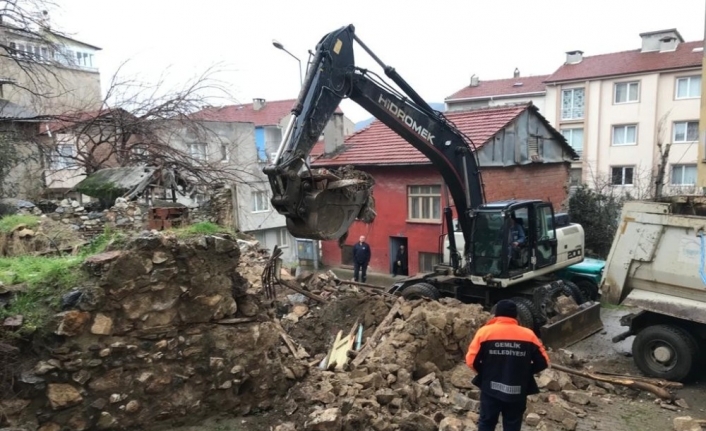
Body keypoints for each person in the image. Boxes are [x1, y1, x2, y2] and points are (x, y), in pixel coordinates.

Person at [465, 300, 549, 431]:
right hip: (517, 390)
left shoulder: (485, 332)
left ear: (496, 315)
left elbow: (471, 361)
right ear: (515, 316)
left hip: (490, 388)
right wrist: (525, 373)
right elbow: (543, 361)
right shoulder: (528, 335)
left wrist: (485, 373)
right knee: (512, 424)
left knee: (487, 423)